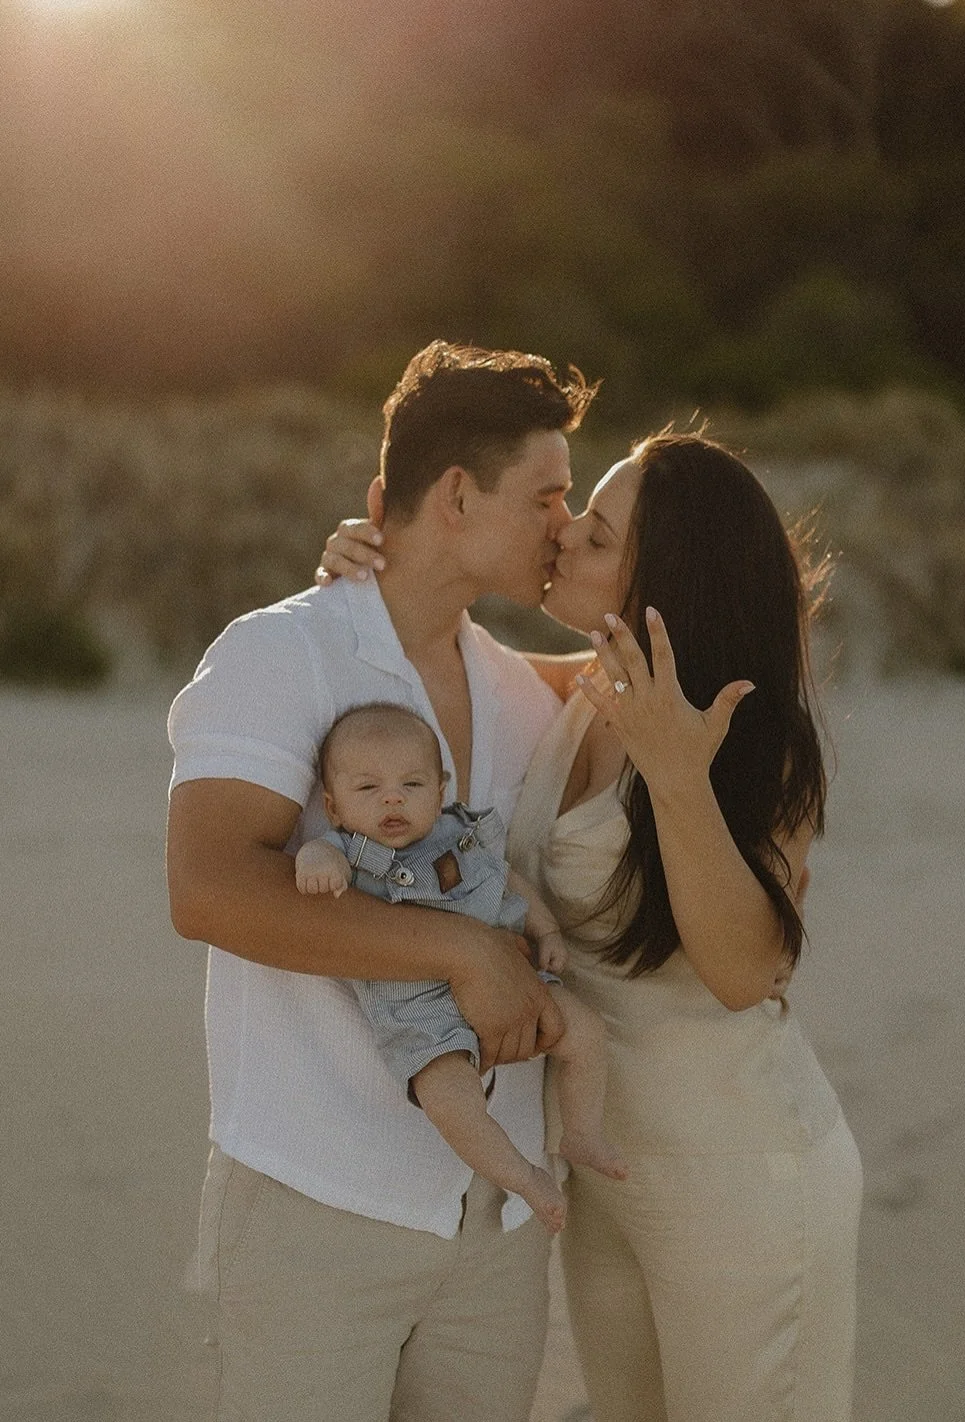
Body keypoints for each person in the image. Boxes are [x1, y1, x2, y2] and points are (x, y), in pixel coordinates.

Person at [317, 432, 864, 1421]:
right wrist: (369, 563)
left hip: (741, 1179)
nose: (564, 535)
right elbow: (430, 651)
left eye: (598, 533)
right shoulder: (569, 688)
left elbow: (745, 971)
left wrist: (676, 776)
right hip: (603, 1176)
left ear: (667, 579)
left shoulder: (752, 738)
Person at [166, 340, 598, 1422]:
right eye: (547, 494)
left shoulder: (523, 696)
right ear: (455, 493)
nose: (563, 519)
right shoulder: (282, 655)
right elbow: (208, 889)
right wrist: (459, 950)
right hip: (321, 1202)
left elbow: (667, 641)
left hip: (498, 1222)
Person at [294, 700, 627, 1234]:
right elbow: (317, 856)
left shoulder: (461, 834)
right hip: (420, 1013)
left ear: (442, 790)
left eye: (413, 784)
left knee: (585, 1030)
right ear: (332, 807)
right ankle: (522, 1176)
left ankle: (582, 1130)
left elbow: (507, 880)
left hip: (514, 978)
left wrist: (546, 930)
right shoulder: (349, 852)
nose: (393, 798)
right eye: (367, 789)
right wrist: (315, 862)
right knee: (451, 1101)